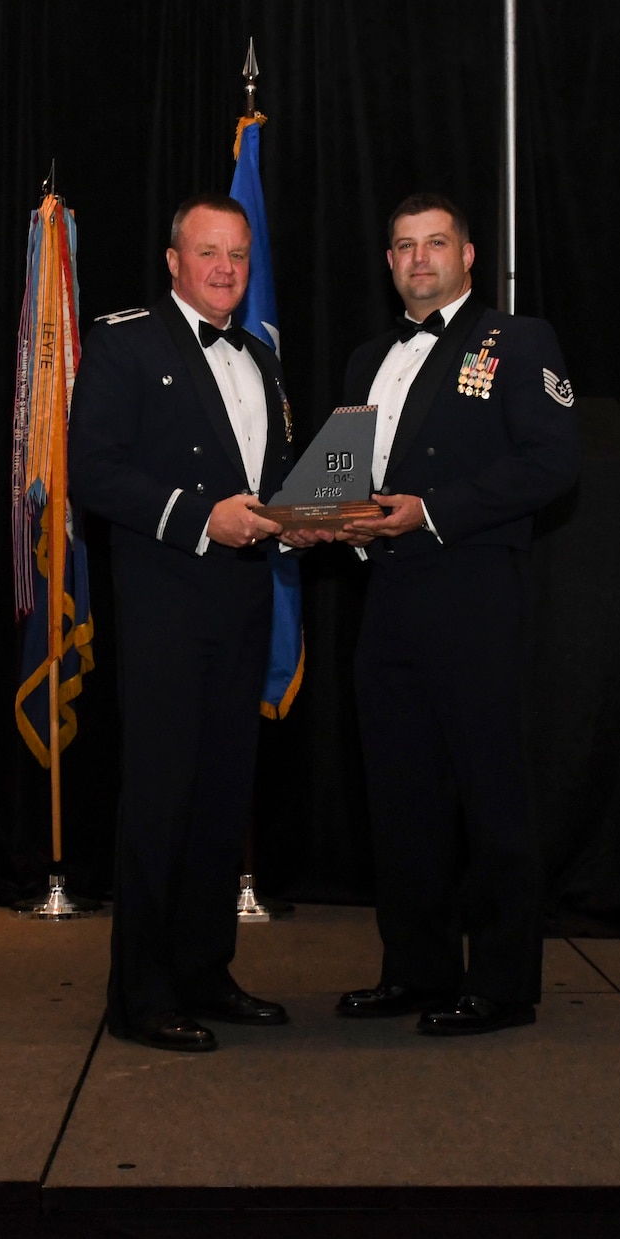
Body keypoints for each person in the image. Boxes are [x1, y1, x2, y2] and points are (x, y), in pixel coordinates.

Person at [296, 192, 579, 1035]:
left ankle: (500, 983)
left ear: (468, 255)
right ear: (389, 263)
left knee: (491, 794)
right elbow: (337, 486)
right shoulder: (364, 359)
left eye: (436, 244)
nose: (420, 259)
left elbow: (553, 464)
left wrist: (437, 510)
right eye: (404, 246)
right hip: (385, 599)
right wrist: (308, 522)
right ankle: (415, 968)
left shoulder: (519, 341)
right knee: (400, 794)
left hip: (474, 593)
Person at [67, 193, 294, 1052]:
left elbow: (271, 483)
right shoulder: (125, 341)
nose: (226, 269)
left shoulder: (264, 358)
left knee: (221, 796)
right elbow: (93, 471)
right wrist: (203, 517)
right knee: (161, 799)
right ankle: (142, 993)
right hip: (166, 601)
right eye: (208, 253)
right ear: (173, 261)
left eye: (238, 254)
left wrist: (304, 519)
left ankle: (206, 970)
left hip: (244, 601)